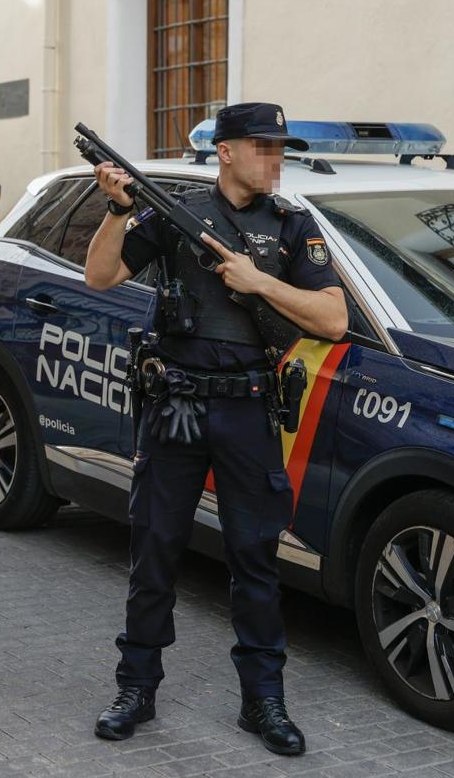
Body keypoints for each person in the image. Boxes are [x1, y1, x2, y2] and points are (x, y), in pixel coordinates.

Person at [84, 103, 347, 755]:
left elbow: (333, 319)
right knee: (154, 552)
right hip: (173, 406)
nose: (275, 157)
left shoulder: (291, 226)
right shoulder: (179, 215)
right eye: (263, 146)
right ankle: (135, 688)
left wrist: (261, 283)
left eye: (280, 147)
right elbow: (101, 275)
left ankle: (264, 702)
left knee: (255, 560)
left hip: (248, 409)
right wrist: (116, 210)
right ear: (226, 152)